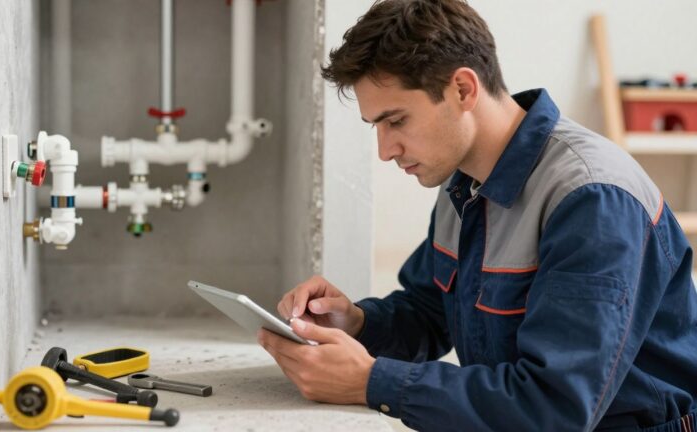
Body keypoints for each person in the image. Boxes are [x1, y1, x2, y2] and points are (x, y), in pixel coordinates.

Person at [256, 0, 697, 430]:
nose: (385, 150)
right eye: (378, 126)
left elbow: (555, 406)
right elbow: (430, 312)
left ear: (463, 89)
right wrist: (356, 322)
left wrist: (370, 381)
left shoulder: (592, 199)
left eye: (397, 121)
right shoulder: (463, 181)